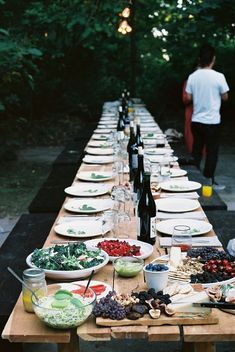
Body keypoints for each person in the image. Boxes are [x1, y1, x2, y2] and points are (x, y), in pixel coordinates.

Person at [185, 44, 229, 190]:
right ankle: (208, 181)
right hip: (212, 121)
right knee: (212, 152)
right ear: (213, 59)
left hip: (196, 120)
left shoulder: (192, 77)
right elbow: (225, 97)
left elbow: (188, 97)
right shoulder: (219, 76)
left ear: (199, 59)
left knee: (196, 150)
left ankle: (193, 181)